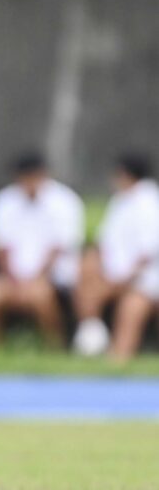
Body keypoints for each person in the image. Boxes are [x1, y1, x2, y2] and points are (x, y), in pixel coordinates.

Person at [0, 153, 84, 344]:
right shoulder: (3, 202)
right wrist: (12, 279)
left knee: (39, 295)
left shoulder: (65, 202)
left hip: (50, 276)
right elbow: (3, 249)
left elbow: (58, 249)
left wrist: (36, 278)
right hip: (12, 277)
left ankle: (55, 346)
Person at [72, 153, 159, 360]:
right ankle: (91, 340)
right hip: (115, 276)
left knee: (131, 307)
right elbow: (103, 243)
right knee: (88, 286)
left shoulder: (150, 204)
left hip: (145, 281)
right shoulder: (119, 201)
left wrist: (122, 281)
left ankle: (119, 356)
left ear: (126, 174)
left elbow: (147, 254)